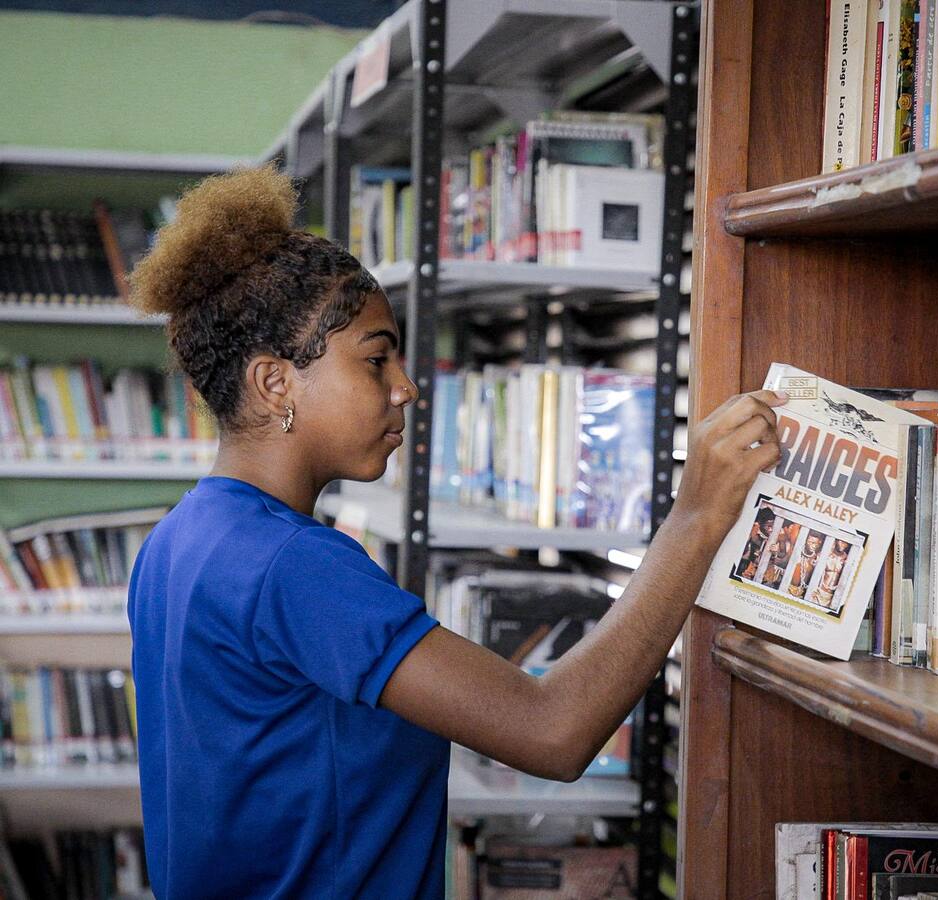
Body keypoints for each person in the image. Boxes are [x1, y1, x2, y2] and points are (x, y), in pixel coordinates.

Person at [125, 167, 785, 899]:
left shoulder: (176, 540)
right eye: (376, 359)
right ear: (274, 382)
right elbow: (554, 732)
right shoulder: (294, 565)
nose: (405, 387)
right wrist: (695, 517)